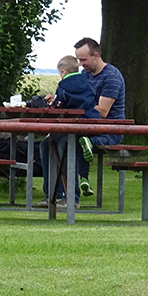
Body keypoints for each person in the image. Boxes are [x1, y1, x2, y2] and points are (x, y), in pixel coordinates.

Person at [39, 38, 126, 207]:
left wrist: (74, 105)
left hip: (106, 130)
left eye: (83, 60)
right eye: (78, 60)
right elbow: (75, 98)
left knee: (65, 143)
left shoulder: (111, 77)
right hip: (83, 127)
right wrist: (58, 99)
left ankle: (71, 198)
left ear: (96, 55)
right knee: (46, 143)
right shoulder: (83, 75)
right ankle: (53, 195)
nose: (80, 64)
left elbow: (102, 111)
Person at [38, 55, 100, 206]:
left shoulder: (63, 86)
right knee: (50, 144)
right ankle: (58, 194)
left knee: (57, 145)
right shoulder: (88, 83)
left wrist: (49, 105)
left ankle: (66, 196)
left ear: (63, 72)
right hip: (89, 128)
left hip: (71, 129)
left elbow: (58, 107)